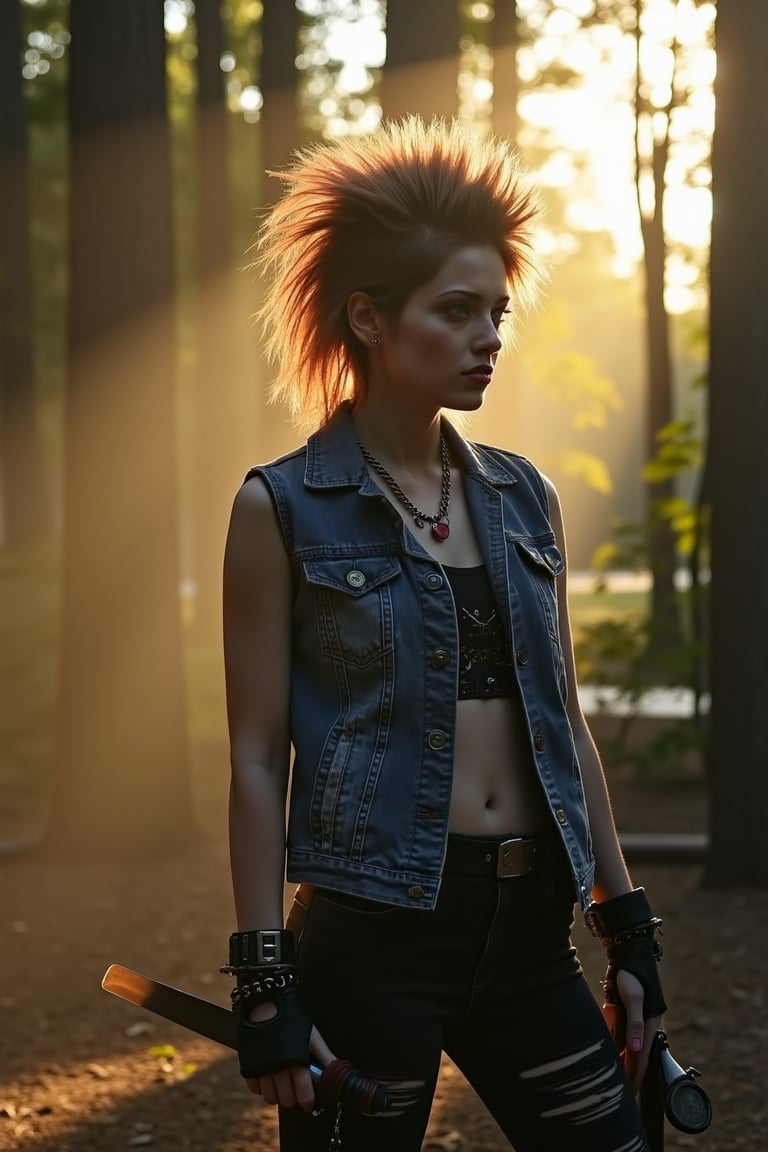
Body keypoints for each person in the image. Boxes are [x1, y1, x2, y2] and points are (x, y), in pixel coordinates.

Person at [221, 116, 666, 1152]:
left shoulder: (524, 498)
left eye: (498, 312)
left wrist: (627, 922)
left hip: (527, 939)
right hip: (370, 942)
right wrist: (262, 981)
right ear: (369, 318)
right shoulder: (280, 508)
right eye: (457, 311)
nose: (489, 338)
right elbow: (252, 755)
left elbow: (565, 724)